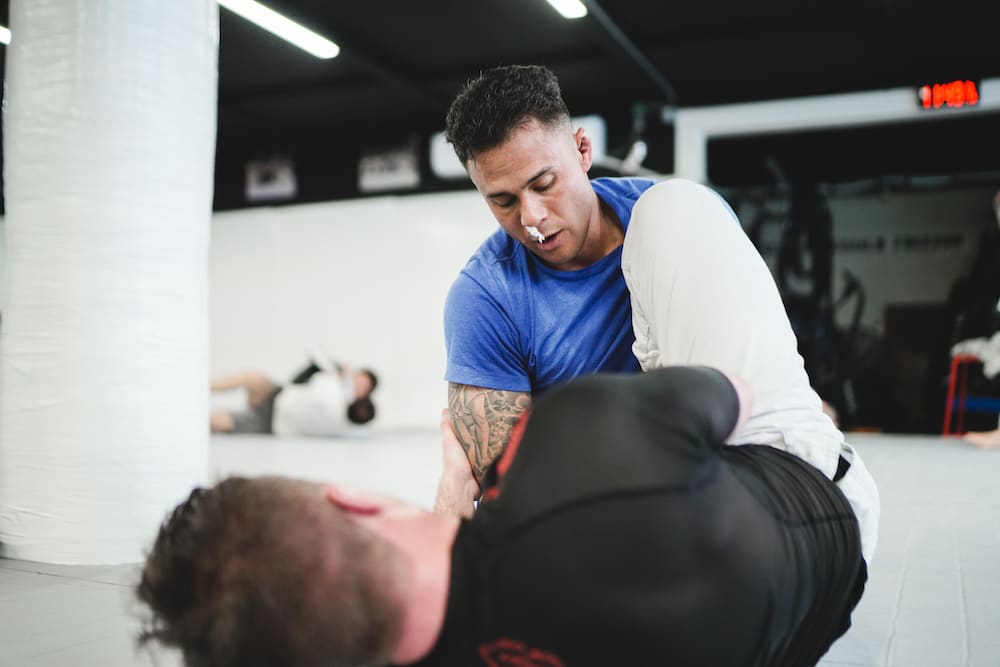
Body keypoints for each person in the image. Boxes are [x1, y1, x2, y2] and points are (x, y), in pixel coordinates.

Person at [437, 64, 878, 567]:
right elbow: (510, 493)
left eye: (543, 183)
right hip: (616, 533)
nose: (531, 218)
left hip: (757, 505)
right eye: (503, 201)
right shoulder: (484, 297)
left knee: (677, 204)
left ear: (583, 152)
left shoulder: (676, 220)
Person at [137, 365, 867, 666]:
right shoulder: (572, 433)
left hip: (792, 638)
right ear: (355, 499)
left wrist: (460, 483)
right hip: (830, 519)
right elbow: (726, 390)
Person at [210, 358, 378, 436]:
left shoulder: (333, 396)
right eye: (358, 379)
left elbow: (319, 381)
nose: (356, 383)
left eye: (362, 385)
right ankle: (203, 388)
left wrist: (339, 375)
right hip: (278, 394)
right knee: (253, 378)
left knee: (222, 420)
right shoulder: (337, 391)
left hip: (272, 420)